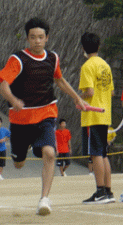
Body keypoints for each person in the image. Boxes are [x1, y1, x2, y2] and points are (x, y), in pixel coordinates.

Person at [0, 17, 86, 215]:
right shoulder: (18, 59)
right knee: (18, 164)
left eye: (40, 37)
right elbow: (3, 85)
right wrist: (13, 100)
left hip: (46, 113)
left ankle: (44, 199)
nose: (37, 40)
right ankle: (23, 147)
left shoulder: (53, 58)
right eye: (33, 37)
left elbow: (60, 80)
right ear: (28, 39)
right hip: (21, 119)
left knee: (50, 153)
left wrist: (77, 99)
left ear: (47, 38)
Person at [79, 32, 115, 204]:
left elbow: (89, 92)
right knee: (103, 153)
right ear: (98, 46)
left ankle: (100, 191)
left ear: (83, 48)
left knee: (95, 153)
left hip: (93, 115)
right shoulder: (105, 65)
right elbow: (112, 91)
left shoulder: (87, 66)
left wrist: (79, 99)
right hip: (105, 113)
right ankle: (108, 191)